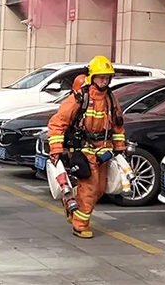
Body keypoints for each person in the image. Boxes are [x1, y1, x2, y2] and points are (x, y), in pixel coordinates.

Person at [47, 55, 126, 239]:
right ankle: (80, 226)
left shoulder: (111, 99)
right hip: (85, 150)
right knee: (89, 190)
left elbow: (118, 125)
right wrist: (56, 149)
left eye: (107, 77)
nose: (104, 81)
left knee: (100, 189)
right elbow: (57, 123)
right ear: (92, 77)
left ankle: (73, 203)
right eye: (101, 77)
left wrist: (119, 147)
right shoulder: (80, 98)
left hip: (103, 151)